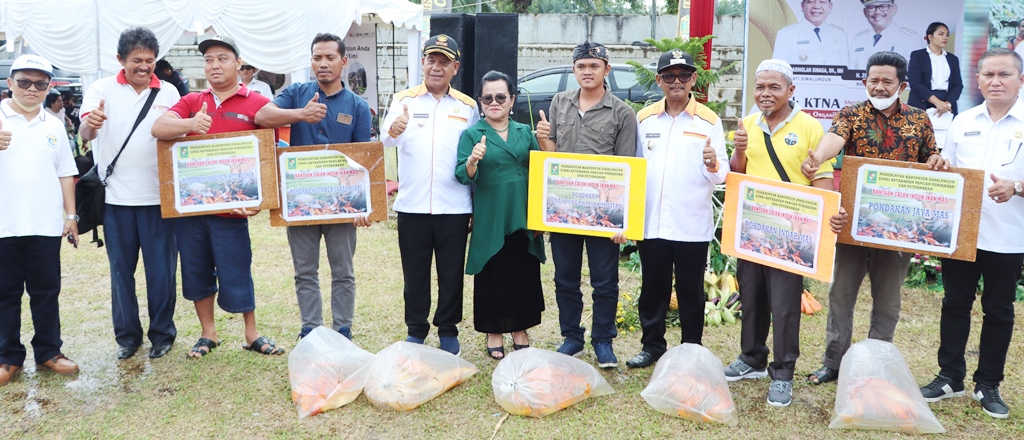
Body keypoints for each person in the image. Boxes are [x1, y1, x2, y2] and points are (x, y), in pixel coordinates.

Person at [801, 51, 946, 385]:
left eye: (887, 81)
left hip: (898, 229)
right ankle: (833, 363)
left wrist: (937, 159)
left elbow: (930, 155)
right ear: (865, 81)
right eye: (873, 80)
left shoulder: (920, 119)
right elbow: (834, 139)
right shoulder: (851, 114)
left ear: (902, 85)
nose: (879, 87)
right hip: (854, 223)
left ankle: (878, 363)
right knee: (840, 296)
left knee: (888, 300)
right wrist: (817, 157)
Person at [722, 59, 845, 407]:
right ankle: (752, 359)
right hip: (753, 229)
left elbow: (822, 181)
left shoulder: (809, 128)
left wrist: (825, 221)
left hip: (792, 234)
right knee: (752, 297)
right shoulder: (748, 124)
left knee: (785, 304)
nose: (765, 93)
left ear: (791, 90)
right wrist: (740, 149)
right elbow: (738, 173)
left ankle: (783, 372)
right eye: (760, 87)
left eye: (774, 87)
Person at [151, 35, 283, 358]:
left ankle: (251, 333)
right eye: (208, 60)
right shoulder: (194, 100)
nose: (214, 65)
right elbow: (158, 127)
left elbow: (267, 154)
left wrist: (258, 201)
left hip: (233, 210)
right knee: (195, 270)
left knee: (238, 268)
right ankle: (208, 333)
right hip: (192, 208)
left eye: (222, 58)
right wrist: (190, 123)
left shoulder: (255, 102)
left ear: (239, 63)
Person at [918, 48, 1024, 420]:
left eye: (1005, 75)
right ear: (977, 81)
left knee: (998, 310)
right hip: (961, 233)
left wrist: (1018, 186)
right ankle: (950, 376)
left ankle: (988, 384)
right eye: (988, 75)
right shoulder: (963, 121)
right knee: (954, 305)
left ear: (1020, 80)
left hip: (1008, 236)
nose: (996, 81)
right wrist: (940, 165)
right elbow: (948, 168)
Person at [255, 32, 372, 340]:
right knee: (305, 271)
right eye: (317, 57)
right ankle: (311, 330)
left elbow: (364, 160)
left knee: (343, 272)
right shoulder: (296, 93)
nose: (323, 64)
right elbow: (262, 115)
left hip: (342, 204)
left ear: (343, 61)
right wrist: (300, 115)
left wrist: (366, 207)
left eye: (330, 57)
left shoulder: (357, 106)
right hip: (300, 200)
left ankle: (342, 330)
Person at [79, 28, 182, 360]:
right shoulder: (101, 88)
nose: (144, 67)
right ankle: (127, 337)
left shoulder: (168, 92)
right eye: (136, 60)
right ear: (120, 59)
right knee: (121, 272)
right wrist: (92, 123)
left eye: (149, 61)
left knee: (162, 271)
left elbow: (180, 134)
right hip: (116, 201)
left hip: (158, 199)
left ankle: (162, 334)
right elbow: (85, 131)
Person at [535, 41, 638, 368]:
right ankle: (572, 337)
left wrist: (624, 223)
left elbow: (627, 168)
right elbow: (552, 155)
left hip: (603, 213)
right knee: (565, 277)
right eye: (581, 66)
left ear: (606, 69)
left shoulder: (622, 112)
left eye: (594, 66)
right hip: (564, 208)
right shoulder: (559, 103)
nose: (587, 72)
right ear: (574, 69)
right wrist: (543, 140)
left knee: (604, 280)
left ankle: (603, 340)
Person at [625, 50, 728, 371]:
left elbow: (722, 173)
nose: (677, 82)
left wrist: (712, 163)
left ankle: (691, 348)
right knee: (652, 289)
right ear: (659, 81)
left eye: (684, 75)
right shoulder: (644, 120)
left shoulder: (709, 121)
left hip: (691, 222)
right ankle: (652, 345)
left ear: (693, 79)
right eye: (669, 76)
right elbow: (633, 169)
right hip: (652, 221)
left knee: (690, 291)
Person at [381, 34, 477, 355]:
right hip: (412, 205)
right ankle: (416, 329)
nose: (436, 67)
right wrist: (394, 128)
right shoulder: (403, 99)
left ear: (455, 67)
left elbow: (474, 154)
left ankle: (448, 329)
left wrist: (475, 203)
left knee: (451, 274)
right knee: (415, 274)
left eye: (444, 62)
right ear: (422, 63)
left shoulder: (467, 106)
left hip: (455, 206)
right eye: (431, 60)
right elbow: (386, 139)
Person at [0, 54, 81, 386]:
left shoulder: (54, 124)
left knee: (46, 291)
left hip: (45, 224)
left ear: (49, 86)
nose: (32, 89)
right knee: (5, 293)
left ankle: (49, 352)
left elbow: (65, 172)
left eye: (40, 83)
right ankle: (7, 356)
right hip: (4, 225)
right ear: (10, 83)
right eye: (24, 82)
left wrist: (71, 215)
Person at [455, 70, 545, 360]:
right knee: (492, 271)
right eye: (488, 97)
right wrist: (472, 160)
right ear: (481, 102)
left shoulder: (524, 132)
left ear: (511, 100)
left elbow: (541, 168)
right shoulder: (472, 134)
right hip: (492, 214)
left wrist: (545, 142)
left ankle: (520, 329)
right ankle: (494, 331)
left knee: (523, 270)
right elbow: (462, 175)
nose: (494, 102)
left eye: (500, 97)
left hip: (522, 211)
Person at [907, 22, 963, 116]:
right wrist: (937, 102)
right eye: (941, 34)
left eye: (947, 35)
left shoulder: (953, 59)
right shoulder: (918, 55)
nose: (945, 37)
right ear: (930, 37)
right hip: (923, 101)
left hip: (946, 104)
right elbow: (915, 83)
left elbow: (958, 85)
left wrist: (947, 104)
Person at [849, 0, 923, 70]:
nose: (877, 12)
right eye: (871, 7)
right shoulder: (858, 40)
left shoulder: (910, 39)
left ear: (893, 9)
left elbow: (916, 76)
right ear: (865, 12)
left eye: (883, 6)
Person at [772, 0, 849, 66]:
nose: (816, 6)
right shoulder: (786, 35)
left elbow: (847, 73)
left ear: (830, 7)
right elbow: (779, 73)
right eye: (811, 1)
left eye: (822, 2)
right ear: (802, 6)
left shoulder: (840, 36)